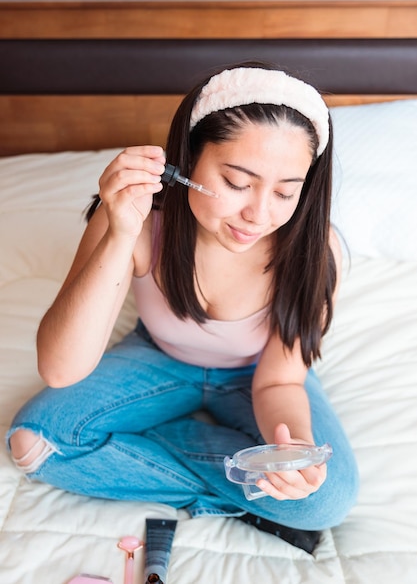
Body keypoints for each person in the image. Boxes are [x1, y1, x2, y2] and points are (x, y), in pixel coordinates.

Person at [7, 61, 358, 553]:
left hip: (258, 377)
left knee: (326, 500)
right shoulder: (141, 225)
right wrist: (120, 233)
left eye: (285, 193)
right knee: (32, 445)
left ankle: (190, 457)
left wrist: (292, 450)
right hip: (160, 357)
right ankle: (238, 494)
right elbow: (61, 369)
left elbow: (280, 381)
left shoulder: (316, 251)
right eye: (237, 182)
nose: (258, 215)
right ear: (188, 161)